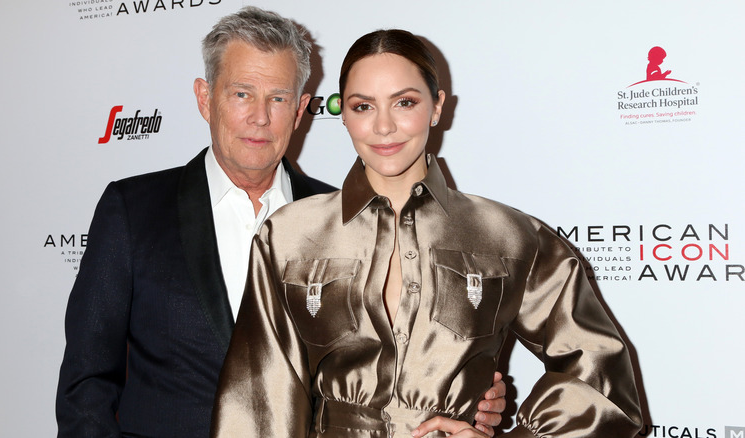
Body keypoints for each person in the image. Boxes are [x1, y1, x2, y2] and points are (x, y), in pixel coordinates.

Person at [55, 8, 505, 438]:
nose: (259, 117)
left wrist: (468, 390)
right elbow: (86, 380)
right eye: (241, 93)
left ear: (300, 107)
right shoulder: (133, 210)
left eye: (278, 98)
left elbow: (385, 367)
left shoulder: (346, 216)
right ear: (205, 98)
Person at [210, 29, 643, 437]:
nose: (383, 127)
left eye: (404, 103)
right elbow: (259, 401)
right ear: (342, 114)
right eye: (363, 106)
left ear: (436, 106)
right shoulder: (288, 236)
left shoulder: (510, 236)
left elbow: (600, 372)